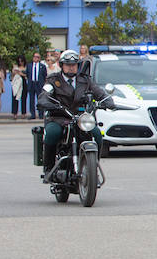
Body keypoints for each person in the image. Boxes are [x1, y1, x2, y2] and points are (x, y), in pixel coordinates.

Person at [37, 50, 111, 181]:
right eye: (68, 64)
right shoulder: (53, 80)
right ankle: (48, 168)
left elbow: (99, 93)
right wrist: (45, 102)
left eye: (74, 64)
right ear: (61, 65)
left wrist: (107, 100)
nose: (71, 67)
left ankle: (93, 168)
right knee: (52, 133)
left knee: (97, 135)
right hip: (59, 117)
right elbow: (44, 94)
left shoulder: (85, 80)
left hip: (81, 119)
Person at [25, 53, 47, 120]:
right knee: (31, 100)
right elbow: (27, 74)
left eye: (37, 57)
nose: (35, 58)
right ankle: (33, 114)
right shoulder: (29, 65)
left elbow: (44, 75)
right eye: (34, 57)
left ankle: (40, 114)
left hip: (39, 84)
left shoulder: (42, 66)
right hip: (31, 83)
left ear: (39, 58)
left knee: (40, 100)